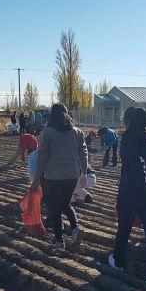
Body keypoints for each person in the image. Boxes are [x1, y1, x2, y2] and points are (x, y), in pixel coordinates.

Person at [108, 107, 146, 289]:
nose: (124, 122)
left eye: (125, 119)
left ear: (130, 122)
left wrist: (138, 183)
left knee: (124, 229)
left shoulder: (128, 140)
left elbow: (134, 163)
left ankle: (118, 263)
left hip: (131, 192)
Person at [30, 103, 88, 251]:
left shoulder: (47, 133)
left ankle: (59, 241)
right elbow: (83, 153)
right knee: (65, 203)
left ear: (52, 115)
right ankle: (75, 228)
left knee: (55, 208)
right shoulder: (77, 132)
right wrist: (84, 173)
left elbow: (41, 158)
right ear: (67, 114)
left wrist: (36, 180)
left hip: (53, 177)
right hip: (71, 176)